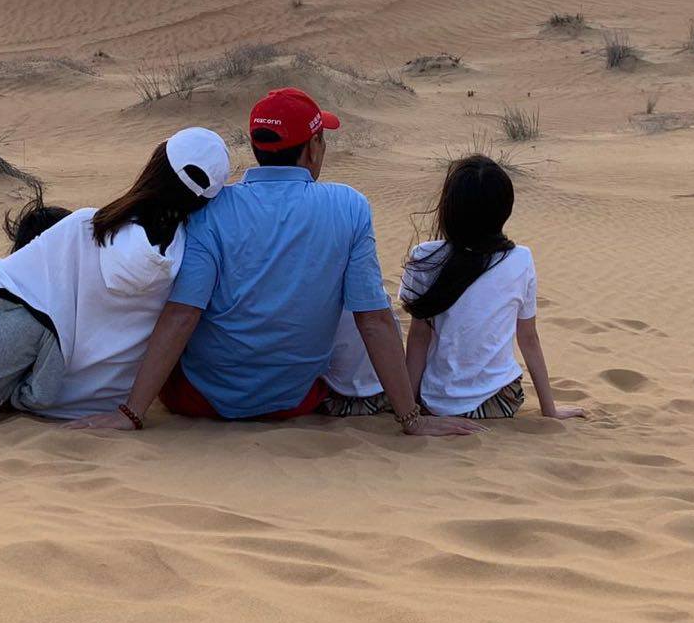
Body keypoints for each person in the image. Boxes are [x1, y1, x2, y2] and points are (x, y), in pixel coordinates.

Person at [72, 88, 482, 436]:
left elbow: (183, 314)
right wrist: (411, 418)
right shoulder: (349, 206)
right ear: (312, 147)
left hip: (198, 399)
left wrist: (131, 413)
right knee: (357, 301)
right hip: (291, 401)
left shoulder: (213, 209)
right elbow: (372, 320)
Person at [0, 127, 231, 421]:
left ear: (155, 166)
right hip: (81, 400)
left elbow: (8, 285)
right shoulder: (183, 264)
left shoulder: (87, 226)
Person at [401, 155, 585, 421]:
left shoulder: (425, 257)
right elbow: (528, 338)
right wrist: (550, 410)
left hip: (436, 403)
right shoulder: (520, 259)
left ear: (449, 208)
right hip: (499, 403)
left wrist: (407, 408)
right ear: (505, 209)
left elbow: (419, 338)